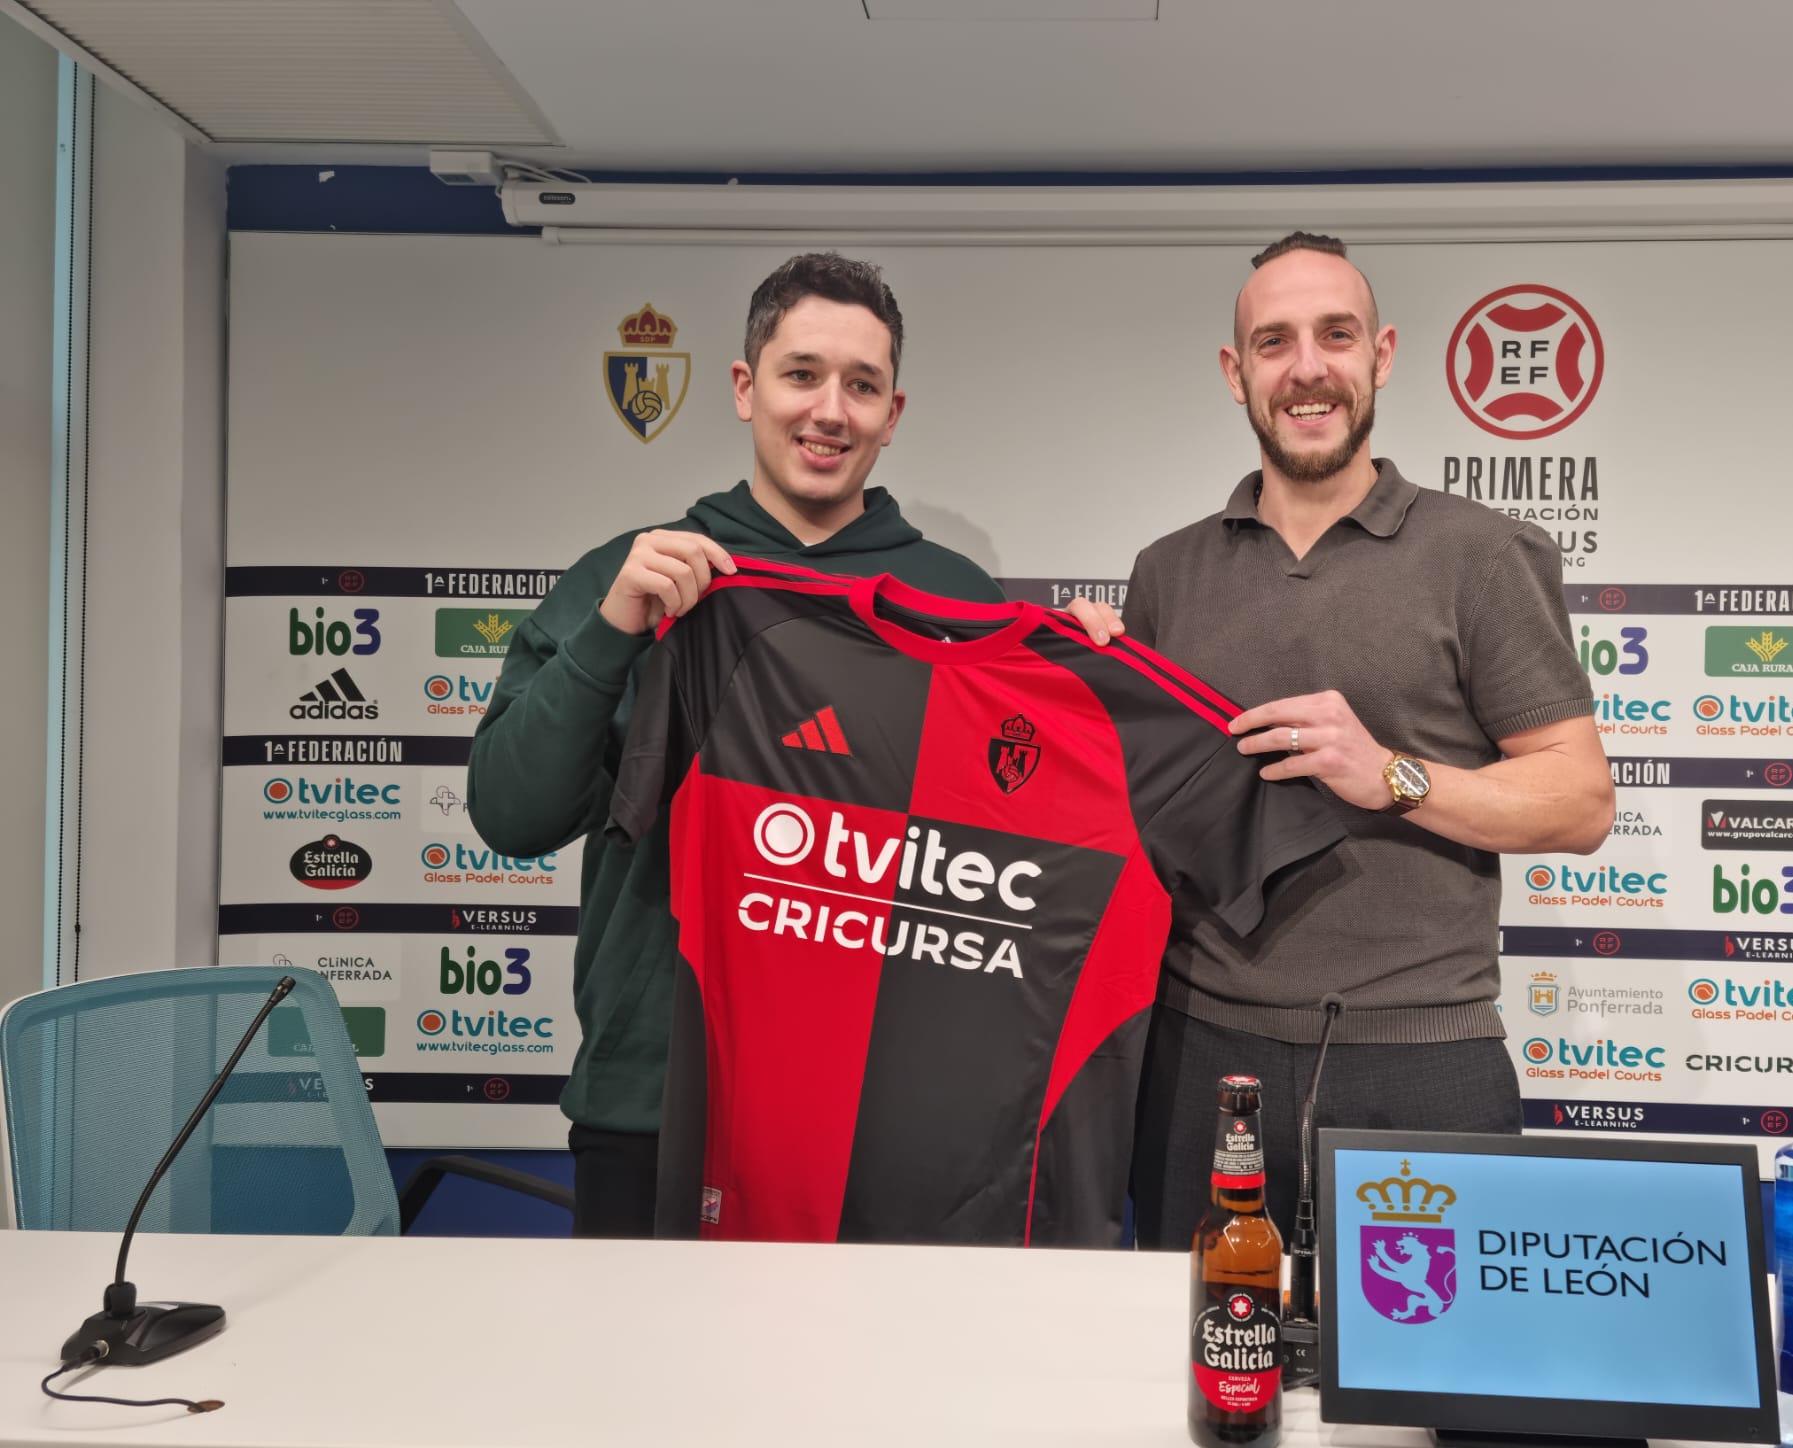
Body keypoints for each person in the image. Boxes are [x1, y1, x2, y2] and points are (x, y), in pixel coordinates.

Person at [1067, 232, 1612, 1251]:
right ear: (1235, 372)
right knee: (1198, 1347)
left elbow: (1580, 803)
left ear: (1382, 354)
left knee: (1432, 1353)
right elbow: (1129, 805)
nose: (1306, 367)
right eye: (1273, 342)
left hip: (1423, 1056)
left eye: (1336, 335)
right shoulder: (1166, 572)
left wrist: (1392, 776)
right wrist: (1073, 674)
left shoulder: (1484, 555)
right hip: (1197, 1054)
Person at [469, 252, 1003, 1238]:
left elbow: (1020, 850)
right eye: (802, 374)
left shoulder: (958, 603)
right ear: (745, 387)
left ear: (892, 413)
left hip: (880, 1114)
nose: (830, 410)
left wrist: (1081, 675)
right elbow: (509, 817)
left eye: (861, 385)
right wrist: (609, 636)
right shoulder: (628, 577)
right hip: (656, 1103)